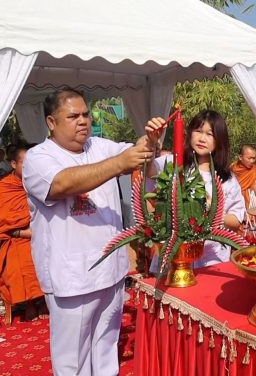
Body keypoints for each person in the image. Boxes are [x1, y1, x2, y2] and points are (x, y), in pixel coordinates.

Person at [22, 87, 162, 375]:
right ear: (51, 122)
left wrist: (150, 141)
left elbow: (137, 153)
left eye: (86, 114)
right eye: (73, 116)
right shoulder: (39, 157)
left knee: (106, 346)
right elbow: (62, 184)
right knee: (73, 359)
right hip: (72, 277)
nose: (83, 121)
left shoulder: (99, 146)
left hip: (110, 272)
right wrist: (121, 163)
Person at [148, 110, 245, 267]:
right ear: (189, 133)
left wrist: (210, 209)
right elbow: (149, 170)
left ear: (219, 140)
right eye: (198, 131)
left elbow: (236, 220)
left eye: (209, 134)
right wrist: (150, 142)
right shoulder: (173, 164)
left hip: (211, 258)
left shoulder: (227, 179)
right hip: (174, 255)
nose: (202, 138)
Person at [0, 145, 44, 322]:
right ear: (14, 164)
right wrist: (22, 233)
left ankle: (46, 300)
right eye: (26, 163)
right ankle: (30, 302)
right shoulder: (4, 188)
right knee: (20, 255)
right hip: (17, 237)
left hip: (47, 233)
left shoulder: (44, 182)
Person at [231, 144, 256, 208]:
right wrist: (251, 191)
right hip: (239, 208)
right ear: (240, 157)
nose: (252, 161)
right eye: (249, 158)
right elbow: (231, 195)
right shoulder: (232, 171)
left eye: (253, 158)